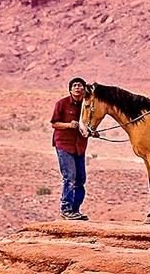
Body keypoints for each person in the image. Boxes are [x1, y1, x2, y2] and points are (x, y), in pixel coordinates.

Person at [51, 77, 90, 220]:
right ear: (70, 89)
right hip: (64, 144)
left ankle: (75, 210)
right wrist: (68, 125)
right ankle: (66, 209)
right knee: (70, 177)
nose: (78, 88)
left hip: (80, 145)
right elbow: (54, 123)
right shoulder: (62, 104)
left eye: (80, 86)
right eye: (75, 85)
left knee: (81, 178)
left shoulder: (87, 105)